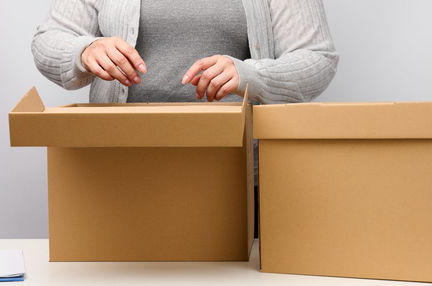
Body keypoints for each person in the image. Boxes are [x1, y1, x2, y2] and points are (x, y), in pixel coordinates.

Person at [32, 0, 339, 237]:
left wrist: (252, 74)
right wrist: (84, 50)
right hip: (117, 175)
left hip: (235, 180)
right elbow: (49, 39)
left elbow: (316, 57)